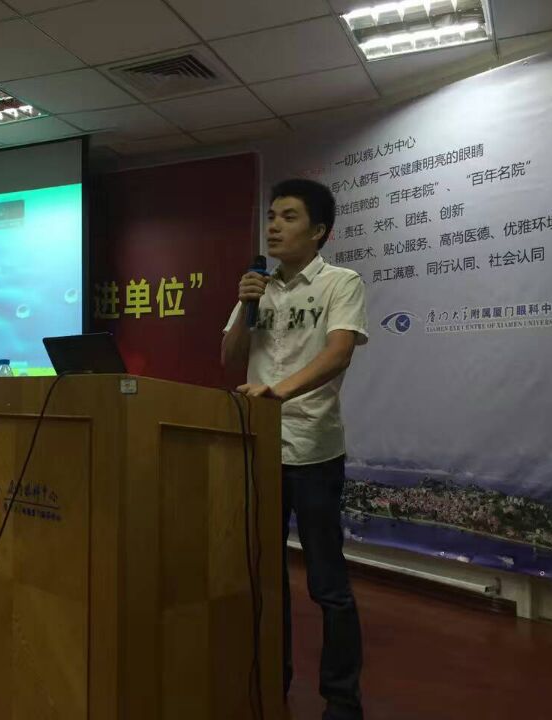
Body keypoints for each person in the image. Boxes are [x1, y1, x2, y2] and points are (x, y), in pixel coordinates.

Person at [222, 179, 368, 720]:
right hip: (261, 450)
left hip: (313, 452)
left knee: (328, 584)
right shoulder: (256, 287)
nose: (274, 227)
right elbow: (230, 356)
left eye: (288, 217)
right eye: (271, 217)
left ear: (319, 231)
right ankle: (273, 678)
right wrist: (245, 305)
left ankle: (342, 699)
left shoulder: (340, 283)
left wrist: (277, 392)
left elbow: (338, 353)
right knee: (266, 577)